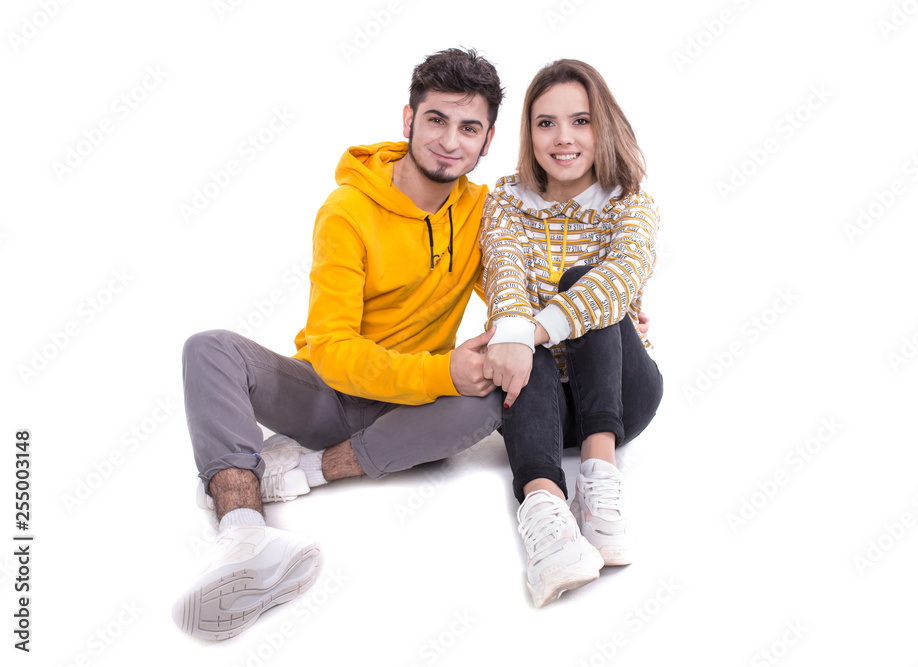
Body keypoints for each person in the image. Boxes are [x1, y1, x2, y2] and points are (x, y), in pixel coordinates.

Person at [173, 48, 505, 640]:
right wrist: (440, 374)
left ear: (487, 140)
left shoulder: (483, 213)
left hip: (410, 415)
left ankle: (301, 473)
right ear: (408, 121)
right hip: (328, 399)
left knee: (492, 396)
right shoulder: (349, 210)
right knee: (210, 348)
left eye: (468, 127)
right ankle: (245, 535)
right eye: (436, 120)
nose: (450, 141)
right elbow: (331, 350)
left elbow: (516, 291)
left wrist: (599, 306)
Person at [479, 59, 663, 608]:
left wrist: (529, 328)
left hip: (620, 395)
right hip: (535, 402)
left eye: (580, 121)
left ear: (601, 127)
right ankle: (545, 516)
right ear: (528, 133)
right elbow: (504, 275)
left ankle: (599, 481)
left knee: (584, 287)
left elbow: (622, 276)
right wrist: (517, 332)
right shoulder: (506, 202)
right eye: (545, 123)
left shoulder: (629, 203)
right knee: (515, 339)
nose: (563, 139)